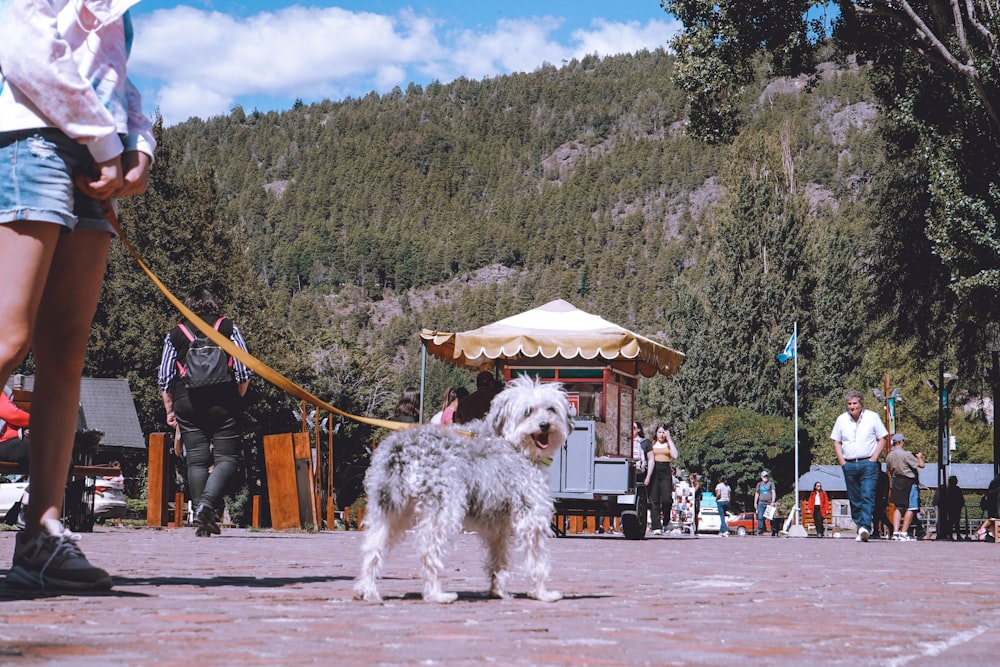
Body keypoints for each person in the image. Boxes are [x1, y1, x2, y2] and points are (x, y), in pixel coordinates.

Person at [0, 0, 155, 592]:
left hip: (93, 158)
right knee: (9, 336)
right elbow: (25, 52)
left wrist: (138, 147)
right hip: (29, 141)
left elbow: (116, 78)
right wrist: (106, 143)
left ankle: (42, 536)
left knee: (65, 353)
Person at [158, 289, 251, 537]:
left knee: (196, 460)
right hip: (223, 402)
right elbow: (243, 369)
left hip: (187, 402)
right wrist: (236, 397)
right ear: (213, 305)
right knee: (227, 459)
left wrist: (170, 410)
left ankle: (203, 521)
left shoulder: (176, 333)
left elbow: (165, 377)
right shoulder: (227, 327)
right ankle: (207, 505)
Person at [830, 390, 889, 542]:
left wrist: (874, 458)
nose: (852, 407)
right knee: (854, 497)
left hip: (868, 463)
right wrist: (842, 461)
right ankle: (860, 525)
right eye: (849, 404)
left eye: (855, 403)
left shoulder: (872, 417)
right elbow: (836, 441)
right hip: (849, 464)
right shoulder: (841, 419)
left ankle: (865, 527)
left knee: (868, 494)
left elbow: (882, 438)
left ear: (861, 404)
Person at [884, 434, 924, 541]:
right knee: (912, 507)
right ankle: (904, 532)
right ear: (901, 442)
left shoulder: (889, 456)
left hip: (896, 481)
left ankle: (896, 532)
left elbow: (888, 469)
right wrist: (919, 457)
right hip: (909, 481)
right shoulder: (906, 454)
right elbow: (921, 465)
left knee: (898, 507)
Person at [643, 424, 677, 536]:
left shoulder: (668, 444)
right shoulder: (652, 444)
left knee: (667, 499)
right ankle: (656, 526)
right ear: (656, 433)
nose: (661, 435)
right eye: (659, 432)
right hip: (654, 471)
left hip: (666, 471)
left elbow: (675, 455)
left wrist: (669, 439)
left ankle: (666, 521)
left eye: (663, 432)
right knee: (654, 499)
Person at [0, 385, 31, 467]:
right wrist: (44, 423)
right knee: (46, 449)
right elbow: (13, 415)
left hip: (11, 441)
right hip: (4, 442)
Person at [753, 471, 777, 535]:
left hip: (769, 503)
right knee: (760, 517)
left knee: (771, 517)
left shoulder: (771, 484)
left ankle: (773, 530)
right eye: (764, 476)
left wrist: (773, 501)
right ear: (761, 477)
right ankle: (760, 529)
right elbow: (757, 493)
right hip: (761, 503)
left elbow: (773, 492)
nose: (765, 477)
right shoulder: (759, 484)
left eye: (766, 476)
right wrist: (755, 502)